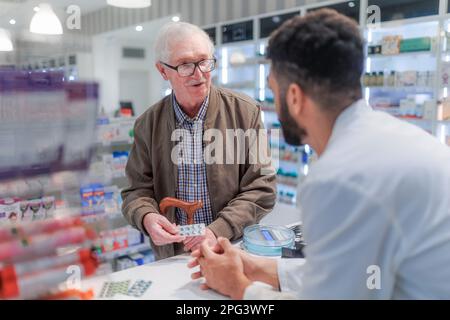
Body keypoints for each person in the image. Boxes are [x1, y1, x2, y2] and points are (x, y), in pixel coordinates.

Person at [188, 9, 450, 299]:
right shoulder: (390, 137)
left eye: (274, 91)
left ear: (295, 97)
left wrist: (238, 287)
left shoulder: (339, 178)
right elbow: (358, 271)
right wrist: (256, 267)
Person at [121, 22, 276, 260]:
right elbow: (136, 191)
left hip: (230, 249)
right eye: (185, 65)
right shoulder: (147, 124)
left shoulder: (246, 113)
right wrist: (146, 216)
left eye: (204, 61)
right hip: (172, 254)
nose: (199, 73)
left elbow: (262, 187)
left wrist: (217, 231)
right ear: (163, 71)